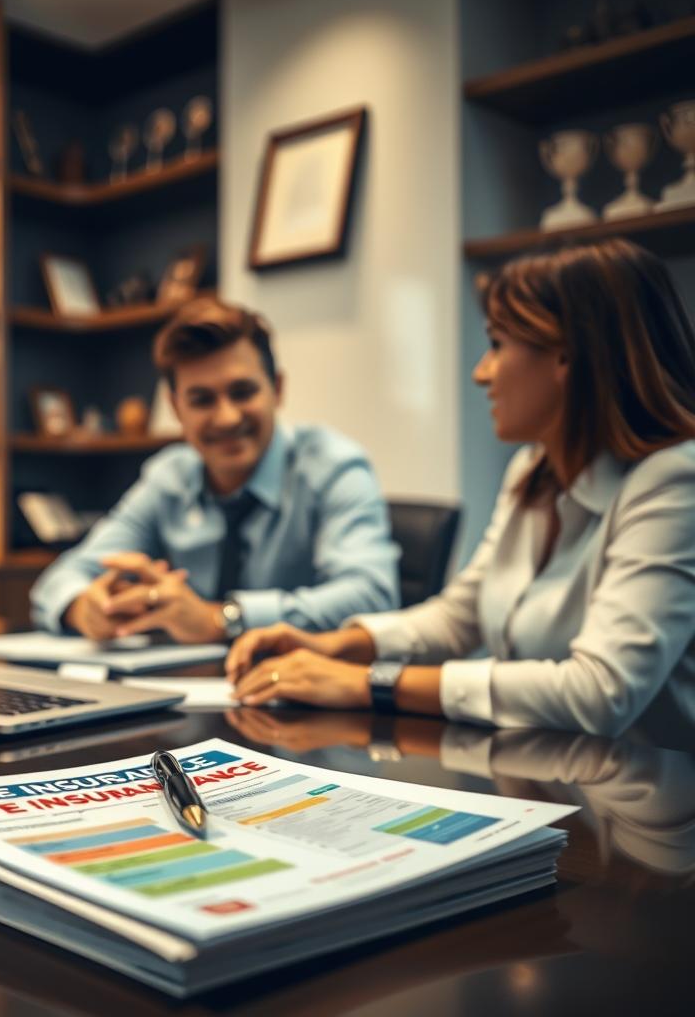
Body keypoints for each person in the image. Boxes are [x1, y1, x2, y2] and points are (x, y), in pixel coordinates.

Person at [227, 238, 695, 736]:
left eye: (496, 345)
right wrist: (333, 646)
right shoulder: (531, 472)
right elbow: (460, 617)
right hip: (553, 781)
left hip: (650, 799)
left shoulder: (674, 482)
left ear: (566, 356)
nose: (481, 373)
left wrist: (369, 682)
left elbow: (601, 691)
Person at [30, 298, 399, 643]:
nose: (226, 417)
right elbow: (59, 581)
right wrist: (87, 609)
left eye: (242, 392)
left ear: (278, 389)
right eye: (202, 400)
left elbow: (373, 595)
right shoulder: (169, 478)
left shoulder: (335, 467)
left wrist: (220, 619)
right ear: (177, 409)